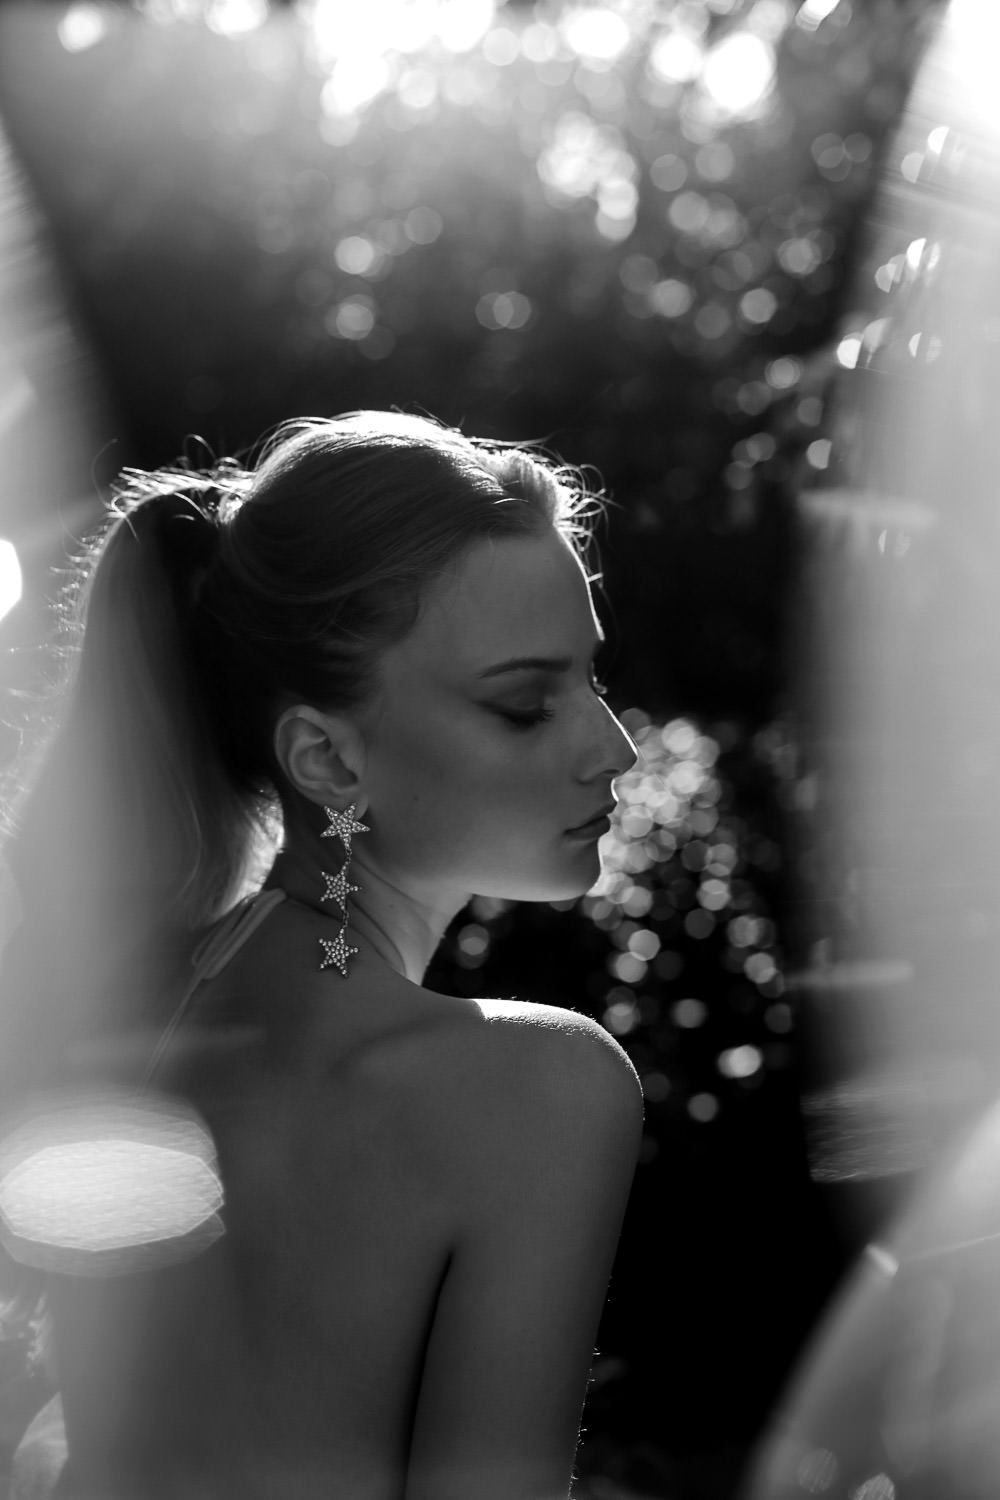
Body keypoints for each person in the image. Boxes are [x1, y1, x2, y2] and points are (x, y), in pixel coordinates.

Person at [0, 410, 643, 1499]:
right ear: (326, 758)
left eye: (590, 677)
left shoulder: (132, 1014)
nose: (611, 745)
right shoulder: (538, 1092)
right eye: (526, 704)